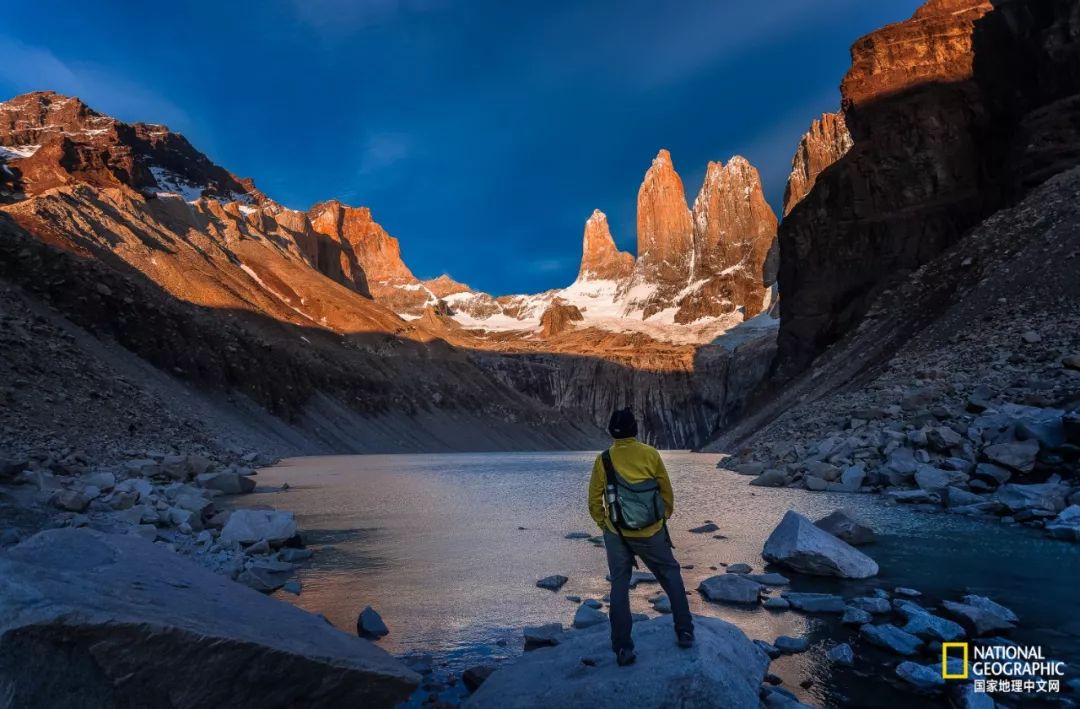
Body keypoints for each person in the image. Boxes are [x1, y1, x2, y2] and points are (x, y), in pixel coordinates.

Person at [588, 408, 694, 667]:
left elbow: (594, 501)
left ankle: (623, 649)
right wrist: (661, 520)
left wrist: (606, 525)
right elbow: (666, 493)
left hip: (617, 533)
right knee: (671, 575)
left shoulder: (604, 459)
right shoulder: (650, 454)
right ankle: (684, 631)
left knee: (619, 587)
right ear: (635, 430)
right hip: (651, 531)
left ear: (612, 432)